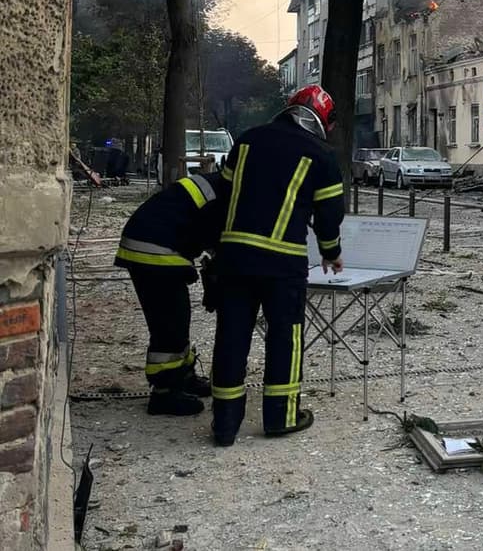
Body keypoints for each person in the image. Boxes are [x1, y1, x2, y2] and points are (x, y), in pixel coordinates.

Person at [209, 85, 345, 446]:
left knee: (231, 336)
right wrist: (331, 253)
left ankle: (224, 425)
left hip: (235, 257)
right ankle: (281, 417)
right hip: (282, 262)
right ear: (322, 120)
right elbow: (329, 215)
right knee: (286, 337)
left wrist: (218, 245)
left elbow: (222, 196)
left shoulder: (247, 140)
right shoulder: (321, 155)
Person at [114, 172, 230, 416]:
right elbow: (221, 241)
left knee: (178, 315)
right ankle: (164, 393)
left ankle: (182, 377)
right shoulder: (227, 196)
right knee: (170, 323)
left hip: (153, 241)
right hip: (155, 249)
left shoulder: (217, 185)